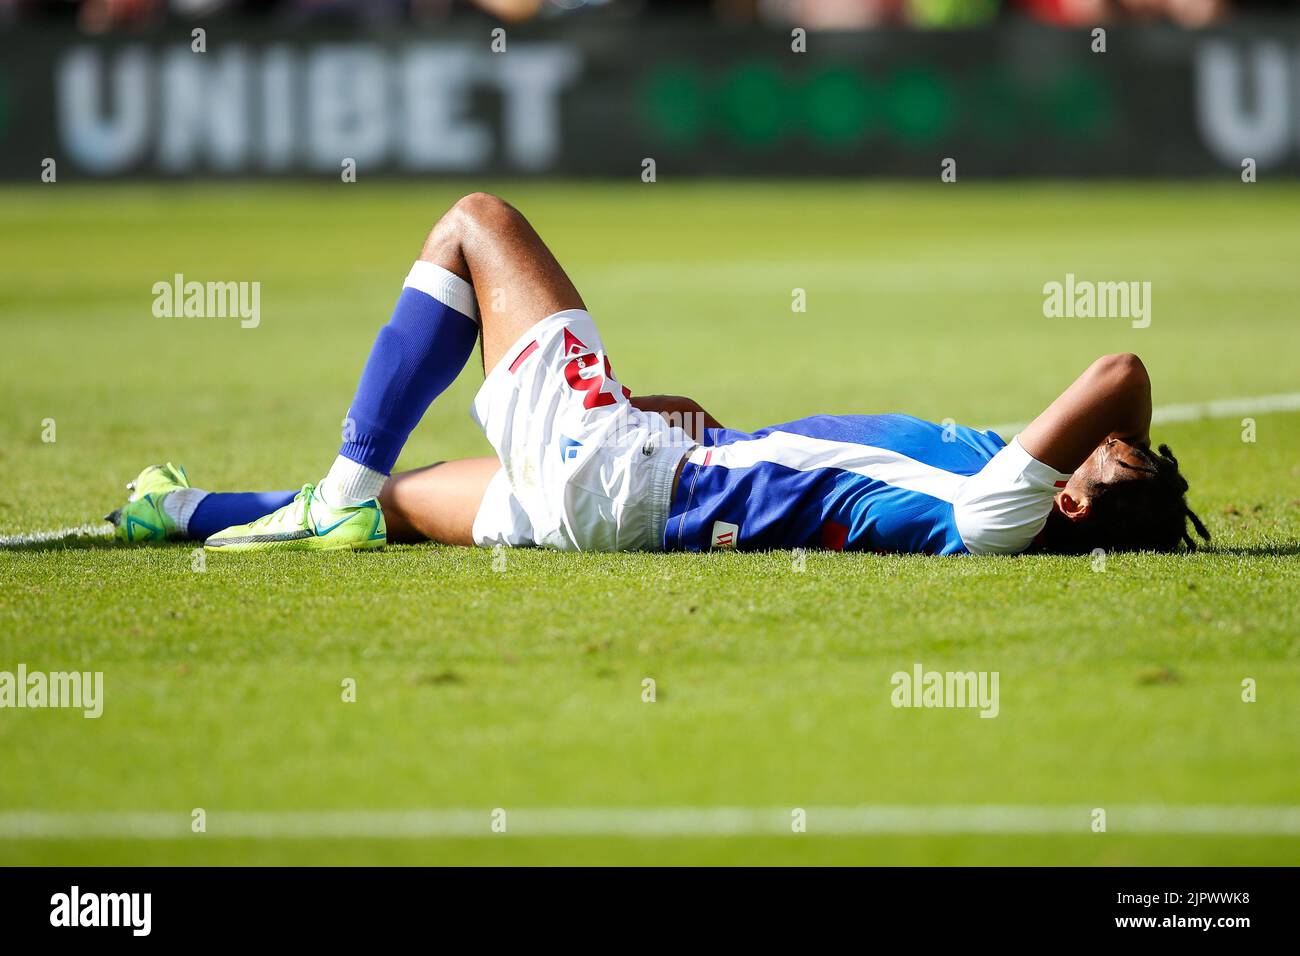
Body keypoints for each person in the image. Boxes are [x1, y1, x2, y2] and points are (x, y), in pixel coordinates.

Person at [107, 193, 1209, 556]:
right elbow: (811, 477)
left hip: (625, 475)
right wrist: (1147, 488)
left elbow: (1121, 366)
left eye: (1100, 453)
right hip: (644, 501)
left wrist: (1126, 455)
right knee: (402, 507)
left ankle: (339, 489)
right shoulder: (1007, 501)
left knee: (476, 223)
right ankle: (173, 508)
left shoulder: (996, 512)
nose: (1091, 433)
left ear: (1066, 492)